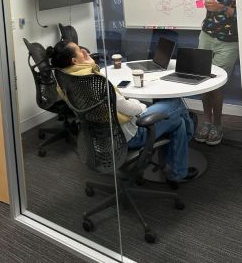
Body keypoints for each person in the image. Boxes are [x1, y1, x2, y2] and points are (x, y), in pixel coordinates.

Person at [48, 40, 197, 182]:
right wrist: (142, 106)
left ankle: (177, 170)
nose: (84, 51)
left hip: (99, 137)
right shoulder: (93, 80)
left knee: (178, 122)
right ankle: (186, 145)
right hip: (128, 135)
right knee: (175, 103)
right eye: (80, 51)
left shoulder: (65, 78)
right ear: (74, 61)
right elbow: (128, 108)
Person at [181, 0, 238, 146]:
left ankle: (218, 124)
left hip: (230, 42)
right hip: (206, 35)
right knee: (204, 79)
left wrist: (223, 8)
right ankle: (206, 121)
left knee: (216, 84)